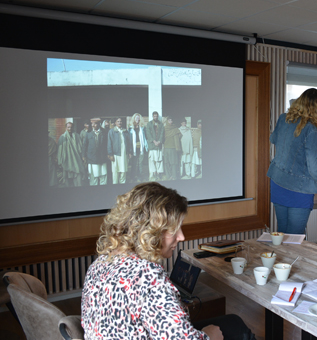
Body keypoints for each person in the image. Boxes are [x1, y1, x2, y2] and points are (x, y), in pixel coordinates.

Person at [81, 182, 256, 340]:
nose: (182, 236)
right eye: (173, 230)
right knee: (235, 328)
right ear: (149, 231)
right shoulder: (147, 276)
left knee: (232, 322)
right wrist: (210, 337)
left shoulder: (101, 263)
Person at [267, 88, 317, 234]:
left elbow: (273, 139)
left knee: (281, 233)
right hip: (299, 189)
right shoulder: (311, 130)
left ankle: (282, 257)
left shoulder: (283, 118)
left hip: (278, 182)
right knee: (295, 236)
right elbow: (314, 168)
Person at [57, 122, 86, 187]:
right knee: (66, 178)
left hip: (76, 160)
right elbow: (59, 151)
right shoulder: (62, 137)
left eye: (71, 127)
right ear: (66, 128)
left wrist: (83, 157)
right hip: (67, 160)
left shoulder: (77, 136)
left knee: (78, 175)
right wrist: (60, 161)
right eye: (68, 127)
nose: (70, 129)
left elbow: (80, 148)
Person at [83, 118, 108, 185]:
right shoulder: (88, 134)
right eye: (92, 124)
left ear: (99, 124)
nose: (93, 125)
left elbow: (107, 145)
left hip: (102, 158)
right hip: (92, 159)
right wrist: (83, 156)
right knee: (93, 178)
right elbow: (84, 146)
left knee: (103, 175)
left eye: (95, 123)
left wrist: (108, 154)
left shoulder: (104, 133)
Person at [107, 117, 132, 184]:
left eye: (120, 121)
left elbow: (129, 142)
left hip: (124, 154)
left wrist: (129, 152)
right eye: (118, 121)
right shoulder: (111, 131)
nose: (119, 123)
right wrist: (110, 154)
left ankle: (122, 185)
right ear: (115, 123)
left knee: (123, 171)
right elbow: (109, 144)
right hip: (116, 155)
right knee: (115, 171)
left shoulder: (125, 131)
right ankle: (115, 186)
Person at [146, 111, 165, 181]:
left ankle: (158, 173)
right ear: (152, 116)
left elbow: (162, 133)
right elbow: (148, 134)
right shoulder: (149, 124)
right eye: (154, 116)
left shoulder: (161, 124)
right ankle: (153, 173)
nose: (155, 117)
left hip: (158, 146)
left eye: (156, 116)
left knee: (159, 160)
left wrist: (159, 141)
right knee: (152, 160)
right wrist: (154, 141)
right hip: (152, 145)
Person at [129, 113, 147, 183]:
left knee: (140, 163)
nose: (137, 119)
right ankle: (133, 177)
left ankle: (139, 177)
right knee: (134, 164)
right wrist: (130, 150)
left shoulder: (142, 128)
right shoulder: (130, 128)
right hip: (133, 149)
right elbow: (129, 140)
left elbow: (145, 138)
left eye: (138, 118)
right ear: (134, 119)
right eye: (136, 118)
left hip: (141, 148)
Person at [163, 116, 181, 180]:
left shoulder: (175, 128)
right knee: (166, 162)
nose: (170, 121)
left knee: (173, 163)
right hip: (166, 147)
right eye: (169, 120)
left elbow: (180, 135)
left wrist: (176, 140)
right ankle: (169, 176)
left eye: (171, 120)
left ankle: (174, 176)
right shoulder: (164, 128)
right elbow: (163, 136)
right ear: (167, 121)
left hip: (173, 147)